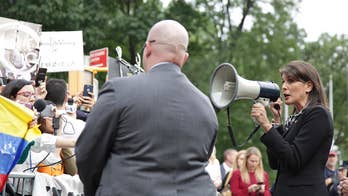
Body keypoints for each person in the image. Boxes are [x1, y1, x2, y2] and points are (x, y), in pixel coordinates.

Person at [76, 19, 218, 196]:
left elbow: (87, 155)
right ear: (185, 58)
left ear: (148, 48)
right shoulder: (206, 106)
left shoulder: (119, 90)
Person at [251, 60, 334, 196]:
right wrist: (276, 123)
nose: (283, 86)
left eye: (290, 81)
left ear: (308, 86)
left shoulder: (319, 115)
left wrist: (266, 125)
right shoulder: (296, 117)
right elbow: (275, 162)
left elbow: (294, 159)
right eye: (283, 81)